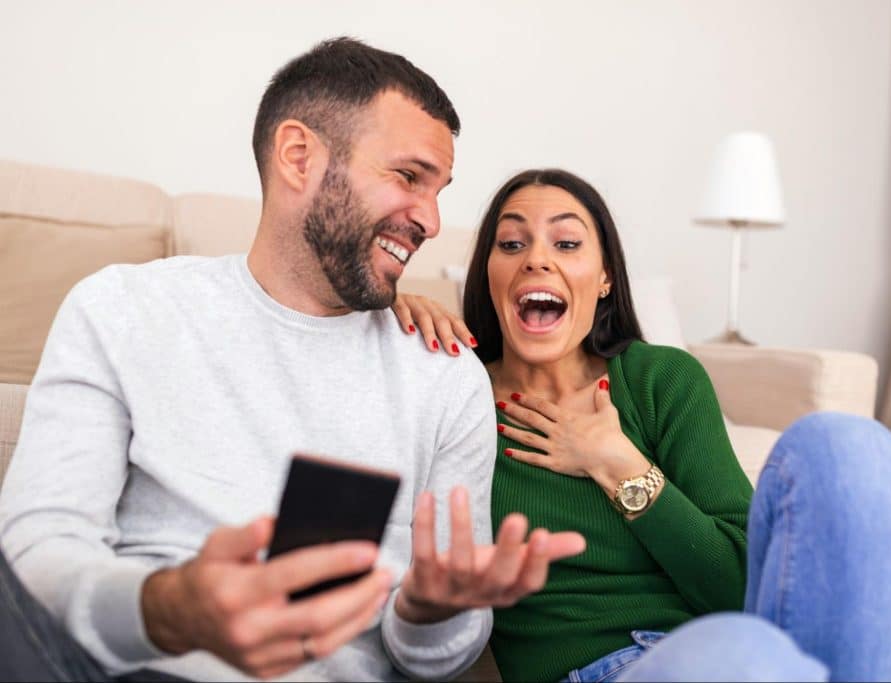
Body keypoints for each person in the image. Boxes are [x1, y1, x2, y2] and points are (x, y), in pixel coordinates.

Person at [0, 39, 585, 682]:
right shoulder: (122, 308)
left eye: (440, 189)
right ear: (299, 157)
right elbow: (36, 556)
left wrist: (427, 611)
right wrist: (169, 610)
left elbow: (441, 655)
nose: (432, 219)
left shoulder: (442, 375)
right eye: (409, 177)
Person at [391, 168, 891, 682]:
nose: (536, 259)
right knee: (745, 657)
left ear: (604, 278)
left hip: (731, 652)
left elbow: (740, 591)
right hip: (603, 670)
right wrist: (387, 311)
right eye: (511, 244)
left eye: (567, 243)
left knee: (849, 446)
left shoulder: (661, 380)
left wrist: (618, 464)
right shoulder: (457, 396)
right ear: (489, 276)